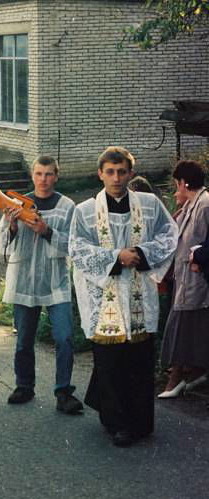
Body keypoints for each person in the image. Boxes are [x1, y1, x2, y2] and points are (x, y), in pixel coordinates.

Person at [70, 146, 177, 447]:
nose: (116, 178)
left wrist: (141, 254)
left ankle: (141, 422)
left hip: (139, 294)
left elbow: (170, 235)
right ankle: (117, 424)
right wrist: (118, 257)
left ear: (130, 173)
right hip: (105, 298)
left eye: (122, 171)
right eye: (110, 172)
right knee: (111, 363)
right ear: (100, 174)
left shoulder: (150, 204)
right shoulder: (85, 211)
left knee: (139, 362)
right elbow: (77, 248)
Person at [0, 156, 82, 414]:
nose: (43, 179)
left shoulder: (67, 206)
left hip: (55, 281)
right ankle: (24, 385)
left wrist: (47, 231)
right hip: (24, 281)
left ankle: (63, 391)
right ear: (32, 175)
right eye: (39, 174)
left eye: (49, 174)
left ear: (57, 175)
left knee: (65, 337)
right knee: (24, 340)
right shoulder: (17, 203)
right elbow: (1, 245)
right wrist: (11, 226)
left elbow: (74, 246)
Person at [157, 160, 208, 397]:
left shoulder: (205, 204)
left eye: (176, 183)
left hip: (198, 281)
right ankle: (193, 372)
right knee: (191, 328)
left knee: (178, 326)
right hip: (187, 280)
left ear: (183, 182)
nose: (175, 188)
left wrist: (199, 256)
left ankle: (175, 377)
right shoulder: (191, 204)